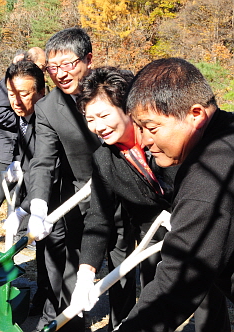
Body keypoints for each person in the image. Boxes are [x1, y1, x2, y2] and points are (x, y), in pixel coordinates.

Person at [114, 58, 233, 332]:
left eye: (151, 128)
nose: (143, 141)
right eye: (139, 128)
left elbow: (176, 284)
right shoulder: (226, 131)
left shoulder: (208, 181)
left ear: (195, 114)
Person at [69, 67, 174, 328]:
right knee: (156, 307)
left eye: (104, 115)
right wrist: (85, 275)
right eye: (90, 119)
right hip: (152, 240)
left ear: (128, 107)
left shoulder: (165, 134)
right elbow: (99, 218)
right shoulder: (105, 159)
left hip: (197, 227)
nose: (98, 127)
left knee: (209, 302)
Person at [12, 27, 101, 332]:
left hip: (123, 197)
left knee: (124, 274)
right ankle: (65, 323)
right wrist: (34, 205)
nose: (60, 74)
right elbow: (43, 160)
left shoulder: (113, 89)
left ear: (88, 59)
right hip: (78, 199)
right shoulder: (48, 108)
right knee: (66, 267)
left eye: (68, 64)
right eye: (53, 67)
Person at [0, 47, 47, 247]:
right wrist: (22, 120)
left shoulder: (36, 87)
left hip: (25, 150)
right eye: (41, 66)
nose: (44, 70)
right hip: (6, 146)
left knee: (25, 189)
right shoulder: (12, 81)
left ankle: (22, 233)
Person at [0, 60, 48, 316]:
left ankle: (51, 304)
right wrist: (16, 162)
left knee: (53, 256)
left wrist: (22, 211)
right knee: (42, 253)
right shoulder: (25, 117)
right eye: (11, 93)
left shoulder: (46, 121)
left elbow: (47, 170)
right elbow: (25, 150)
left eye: (25, 93)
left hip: (53, 198)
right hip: (34, 192)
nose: (16, 100)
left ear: (41, 92)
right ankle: (42, 297)